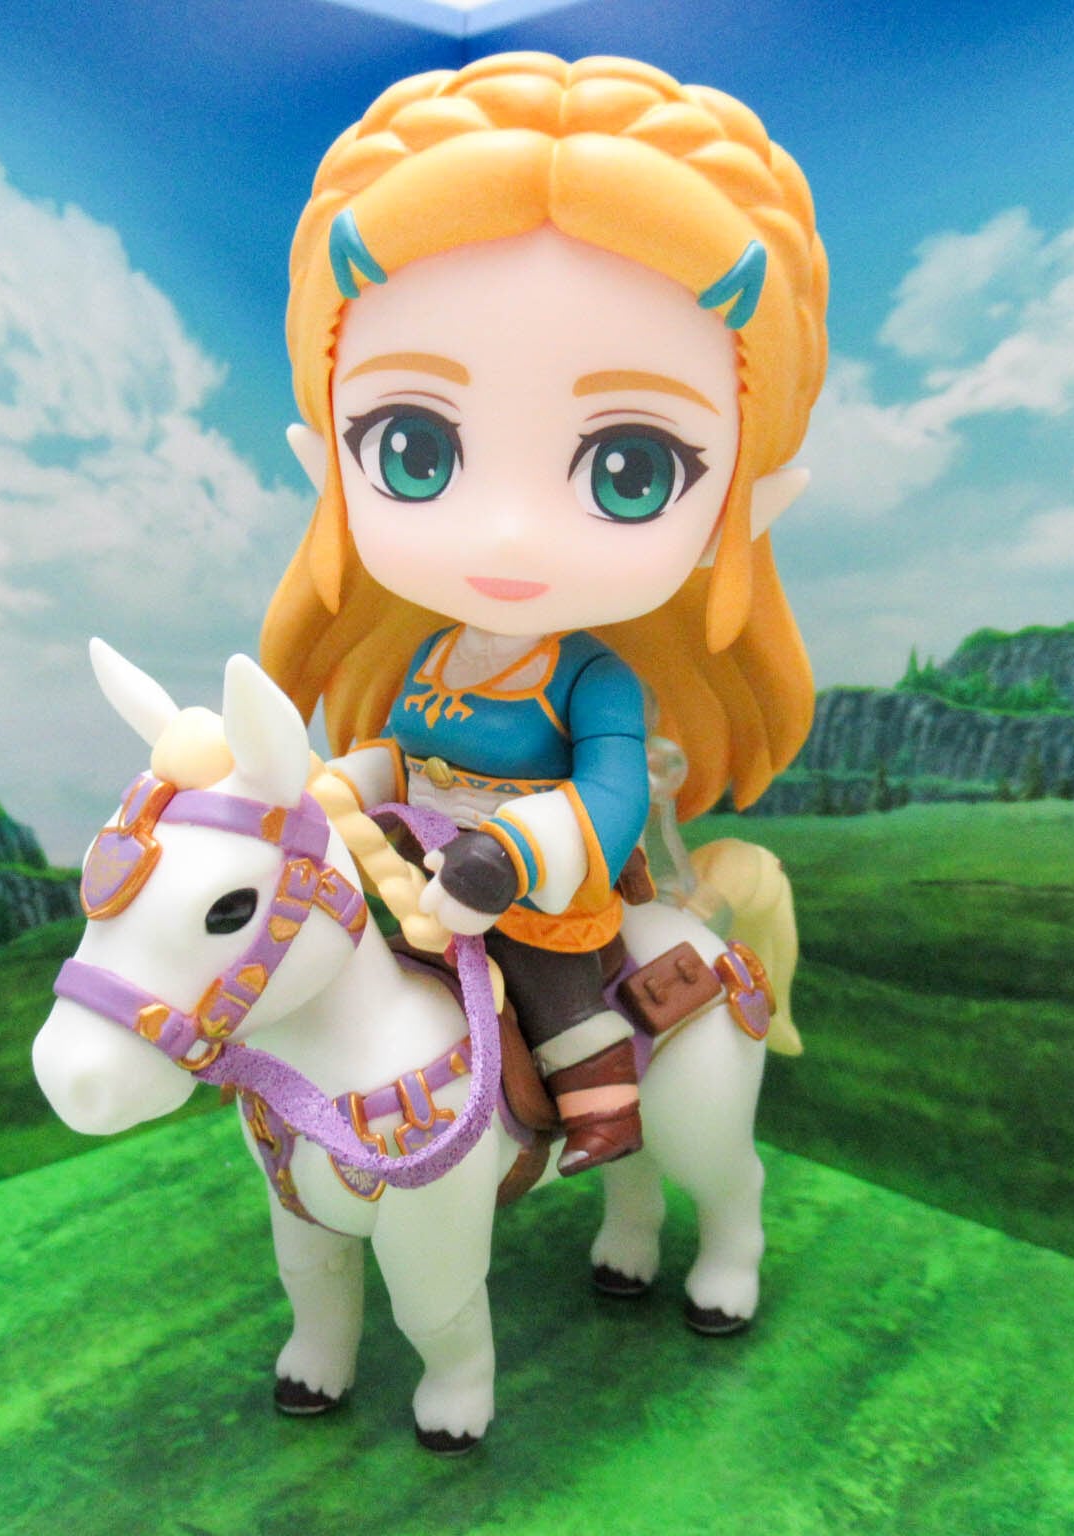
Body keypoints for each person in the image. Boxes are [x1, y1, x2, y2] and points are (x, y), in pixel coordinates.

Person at [260, 52, 828, 1175]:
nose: (511, 535)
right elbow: (403, 746)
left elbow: (610, 794)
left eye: (632, 470)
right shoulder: (436, 650)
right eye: (413, 451)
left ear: (744, 508)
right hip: (417, 869)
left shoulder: (593, 679)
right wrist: (345, 786)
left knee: (551, 976)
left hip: (529, 887)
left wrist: (511, 855)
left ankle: (600, 1101)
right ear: (326, 465)